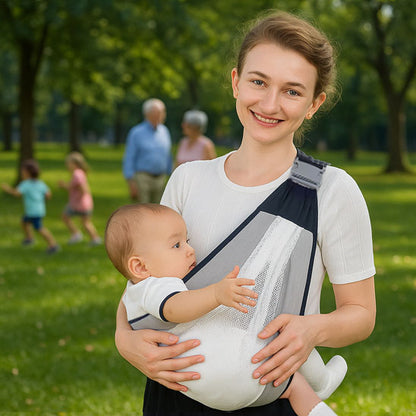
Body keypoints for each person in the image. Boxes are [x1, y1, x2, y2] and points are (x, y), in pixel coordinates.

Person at [115, 11, 376, 416]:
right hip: (176, 394)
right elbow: (145, 278)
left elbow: (361, 313)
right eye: (258, 82)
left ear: (314, 103)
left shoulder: (332, 191)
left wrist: (312, 329)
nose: (269, 104)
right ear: (237, 82)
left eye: (292, 91)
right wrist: (123, 338)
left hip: (266, 393)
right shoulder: (188, 179)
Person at [106, 203, 341, 415]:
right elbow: (174, 308)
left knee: (291, 384)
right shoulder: (157, 287)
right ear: (139, 266)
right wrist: (216, 294)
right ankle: (322, 383)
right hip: (230, 369)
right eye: (176, 245)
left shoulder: (137, 291)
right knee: (286, 344)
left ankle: (319, 396)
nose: (189, 249)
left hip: (210, 383)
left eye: (187, 240)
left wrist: (122, 333)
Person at [1, 159, 59, 254]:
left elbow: (17, 194)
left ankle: (53, 245)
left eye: (22, 172)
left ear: (27, 173)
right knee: (24, 222)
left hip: (33, 211)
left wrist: (7, 189)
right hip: (39, 209)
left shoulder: (26, 184)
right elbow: (48, 194)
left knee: (39, 228)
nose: (22, 173)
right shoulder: (40, 183)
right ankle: (29, 239)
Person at [123, 98, 172, 203]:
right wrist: (131, 182)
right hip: (142, 178)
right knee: (143, 212)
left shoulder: (164, 131)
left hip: (161, 179)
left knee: (158, 212)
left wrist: (171, 176)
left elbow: (168, 155)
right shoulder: (136, 132)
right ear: (148, 114)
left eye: (163, 112)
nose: (162, 115)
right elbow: (129, 157)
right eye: (159, 112)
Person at [58, 151, 101, 246]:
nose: (67, 166)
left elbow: (82, 188)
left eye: (68, 163)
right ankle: (94, 238)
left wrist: (79, 197)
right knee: (85, 222)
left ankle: (78, 234)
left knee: (66, 217)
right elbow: (73, 186)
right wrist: (64, 185)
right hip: (84, 203)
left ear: (75, 164)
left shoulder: (77, 174)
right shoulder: (80, 173)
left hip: (79, 203)